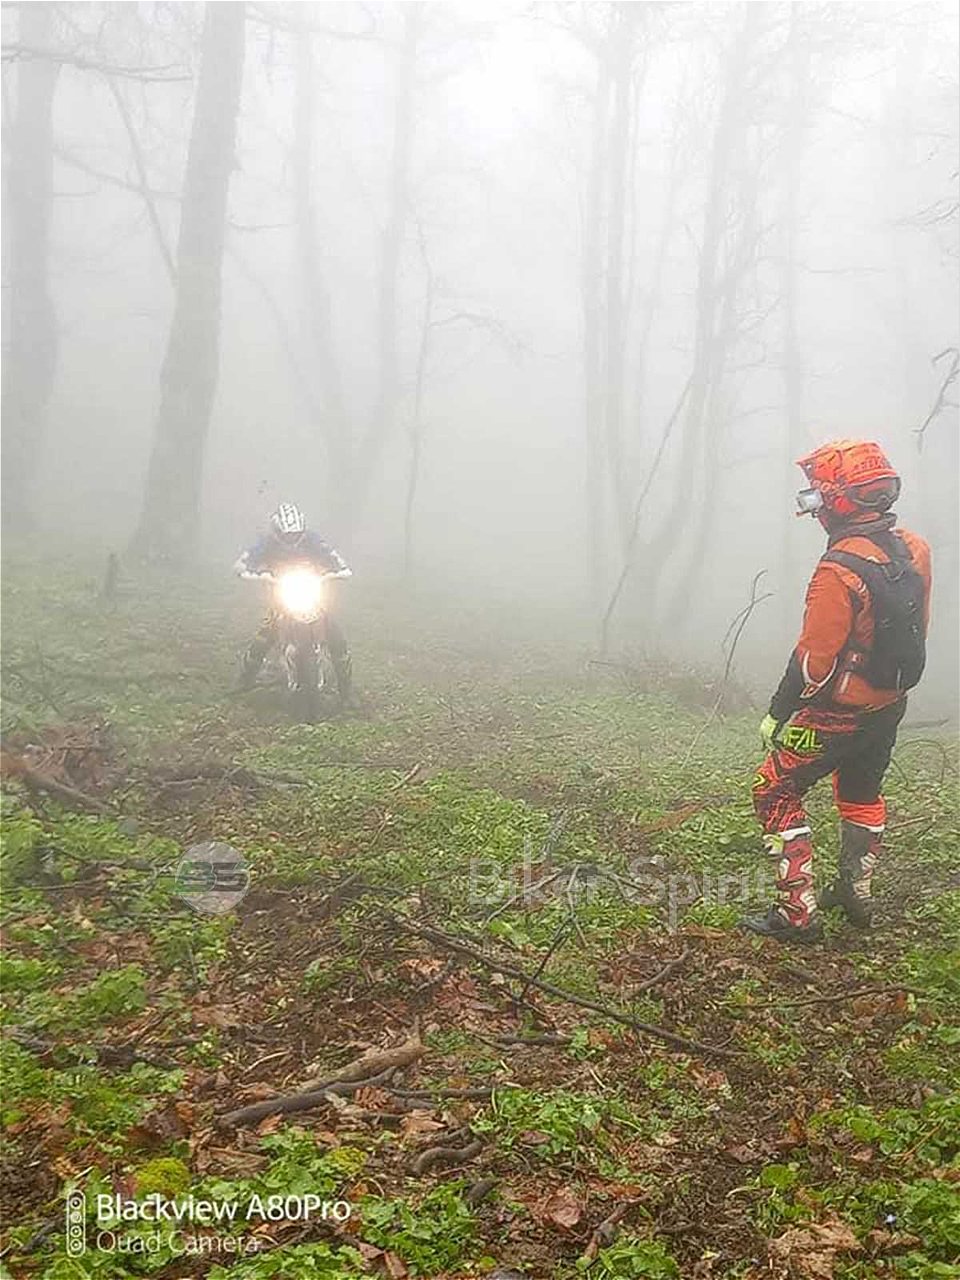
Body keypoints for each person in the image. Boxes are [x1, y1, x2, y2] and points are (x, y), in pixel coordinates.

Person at [741, 440, 932, 944]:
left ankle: (796, 913)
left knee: (773, 788)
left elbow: (813, 661)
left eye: (817, 495)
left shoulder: (837, 570)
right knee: (860, 792)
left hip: (837, 713)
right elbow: (920, 627)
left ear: (838, 500)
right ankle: (855, 892)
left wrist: (779, 711)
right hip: (889, 704)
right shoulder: (914, 548)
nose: (814, 506)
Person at [234, 503, 353, 699]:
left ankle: (346, 690)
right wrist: (253, 573)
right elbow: (244, 561)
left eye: (295, 535)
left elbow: (333, 557)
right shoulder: (266, 543)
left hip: (312, 594)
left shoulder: (312, 540)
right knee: (264, 636)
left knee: (335, 635)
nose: (291, 539)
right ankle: (244, 680)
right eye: (287, 535)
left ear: (302, 530)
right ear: (277, 532)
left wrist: (339, 571)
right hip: (281, 596)